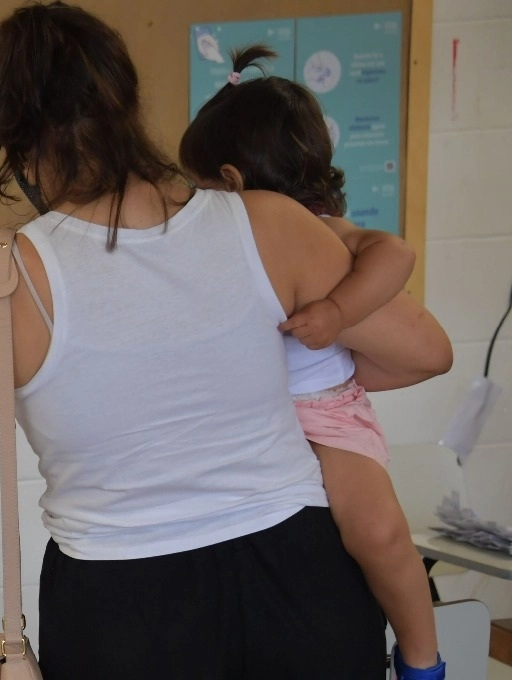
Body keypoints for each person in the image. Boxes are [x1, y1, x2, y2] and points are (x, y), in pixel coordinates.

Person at [0, 3, 451, 677]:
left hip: (124, 601)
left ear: (17, 141)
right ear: (128, 101)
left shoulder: (2, 276)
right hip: (300, 580)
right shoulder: (272, 222)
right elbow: (422, 350)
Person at [179, 45, 446, 679]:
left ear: (232, 182)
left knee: (378, 533)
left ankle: (422, 658)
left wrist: (337, 309)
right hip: (256, 427)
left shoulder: (324, 230)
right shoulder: (215, 249)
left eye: (200, 188)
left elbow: (397, 254)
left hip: (328, 418)